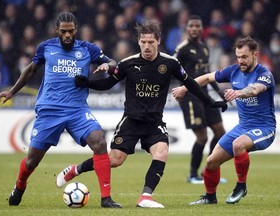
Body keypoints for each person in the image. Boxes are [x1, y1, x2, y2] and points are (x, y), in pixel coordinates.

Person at [55, 20, 227, 208]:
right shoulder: (128, 64)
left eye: (151, 42)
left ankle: (145, 196)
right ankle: (75, 169)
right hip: (131, 121)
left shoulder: (170, 63)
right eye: (143, 42)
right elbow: (107, 84)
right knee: (114, 160)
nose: (147, 46)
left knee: (161, 152)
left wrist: (210, 102)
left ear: (158, 41)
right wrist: (87, 82)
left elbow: (191, 83)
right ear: (138, 42)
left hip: (154, 122)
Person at [0, 12, 121, 208]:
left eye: (70, 31)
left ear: (76, 30)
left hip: (77, 110)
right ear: (57, 31)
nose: (67, 35)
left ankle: (106, 198)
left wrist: (107, 66)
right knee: (31, 162)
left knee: (99, 142)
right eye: (63, 32)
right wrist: (12, 91)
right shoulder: (46, 47)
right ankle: (19, 186)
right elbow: (30, 70)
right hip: (49, 110)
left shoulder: (88, 49)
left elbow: (113, 62)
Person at [172, 36, 276, 204]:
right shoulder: (233, 71)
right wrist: (185, 88)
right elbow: (206, 78)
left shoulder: (264, 74)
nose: (240, 61)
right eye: (238, 57)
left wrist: (239, 93)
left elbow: (256, 89)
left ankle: (241, 186)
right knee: (212, 161)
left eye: (244, 57)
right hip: (243, 127)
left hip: (264, 128)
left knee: (238, 145)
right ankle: (210, 197)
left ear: (255, 54)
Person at [174, 15, 227, 184]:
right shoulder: (182, 49)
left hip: (205, 95)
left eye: (198, 25)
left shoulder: (205, 48)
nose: (195, 28)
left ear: (202, 29)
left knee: (220, 132)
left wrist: (220, 93)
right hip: (190, 96)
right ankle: (192, 174)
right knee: (202, 136)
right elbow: (170, 67)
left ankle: (208, 170)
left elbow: (208, 74)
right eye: (192, 26)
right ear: (187, 29)